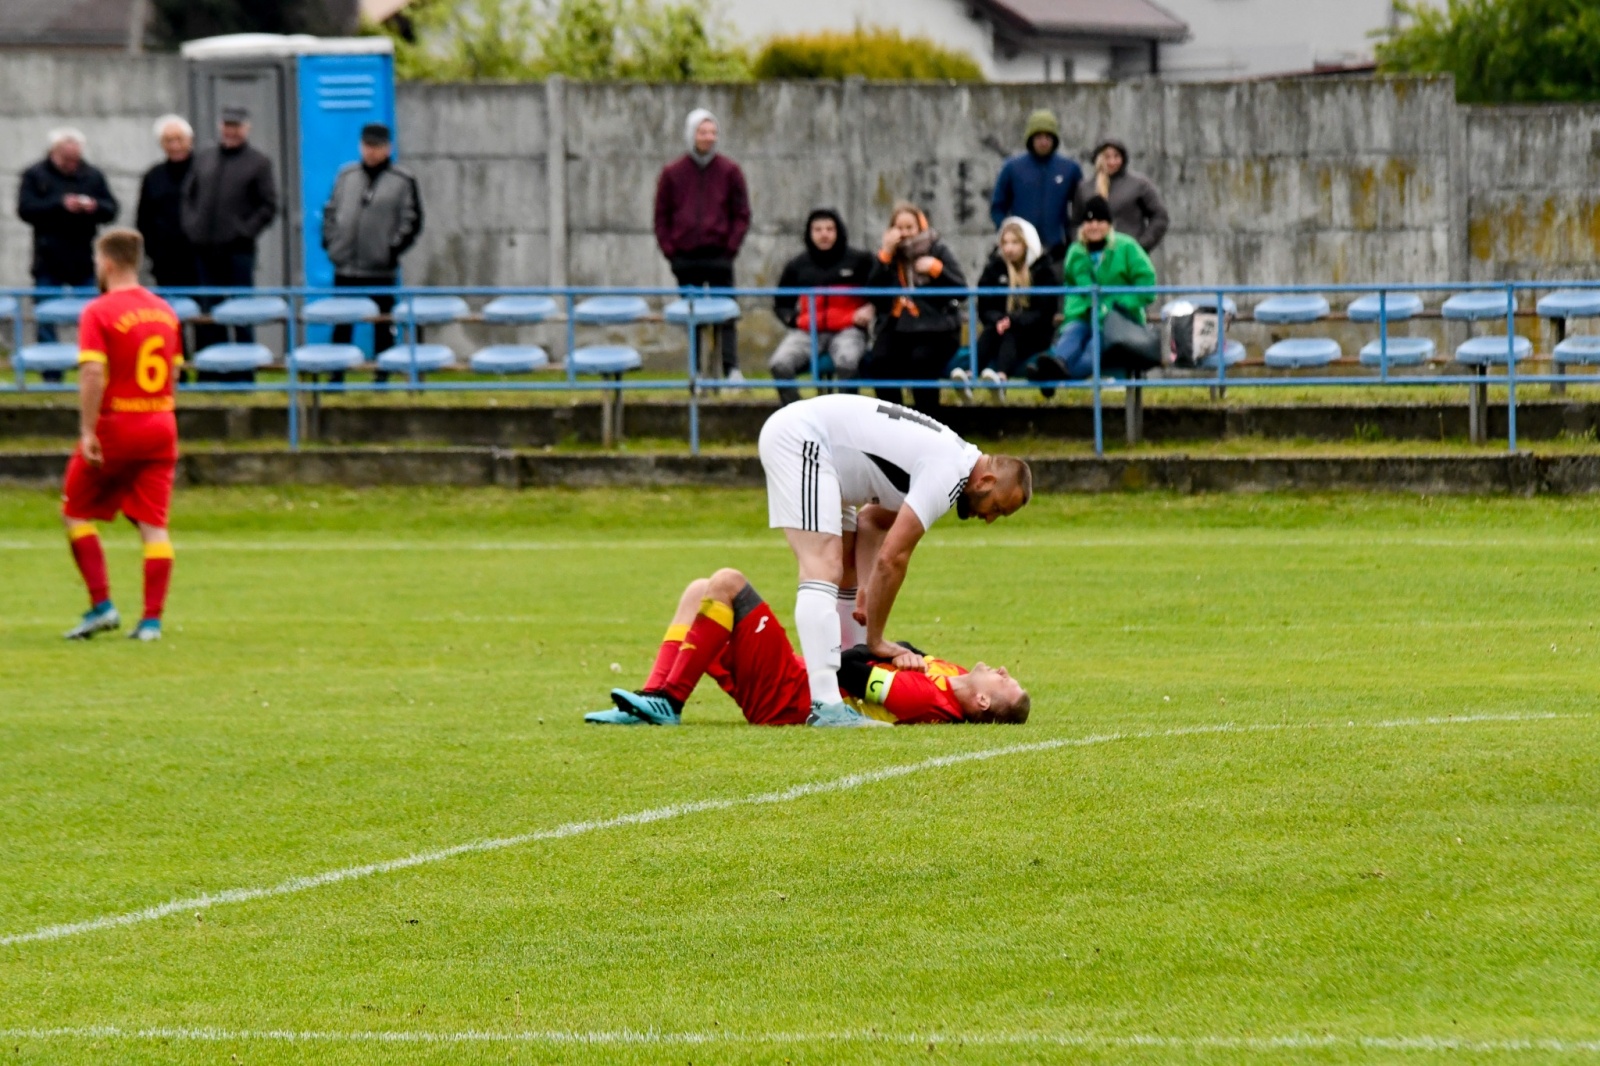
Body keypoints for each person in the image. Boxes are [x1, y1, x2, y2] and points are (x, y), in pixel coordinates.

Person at [758, 394, 1032, 724]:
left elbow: (873, 521)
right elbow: (894, 557)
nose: (989, 519)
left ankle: (844, 695)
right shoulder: (949, 473)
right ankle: (826, 706)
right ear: (985, 481)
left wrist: (867, 586)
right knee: (823, 566)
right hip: (803, 439)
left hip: (823, 453)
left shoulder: (953, 459)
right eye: (997, 509)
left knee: (845, 569)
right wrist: (877, 640)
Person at [586, 566, 1029, 727]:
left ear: (984, 699)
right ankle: (649, 702)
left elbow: (848, 670)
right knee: (699, 590)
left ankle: (668, 703)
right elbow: (902, 647)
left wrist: (886, 654)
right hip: (791, 682)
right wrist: (896, 651)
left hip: (791, 697)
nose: (1005, 669)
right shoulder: (949, 676)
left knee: (727, 583)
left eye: (1006, 682)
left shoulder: (925, 697)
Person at [59, 229, 182, 643]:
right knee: (153, 524)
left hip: (119, 424)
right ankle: (151, 621)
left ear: (107, 263)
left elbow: (93, 372)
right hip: (161, 424)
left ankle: (102, 605)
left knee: (75, 510)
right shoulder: (166, 311)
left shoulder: (99, 310)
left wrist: (88, 429)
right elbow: (176, 371)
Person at [321, 122, 424, 382]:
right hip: (345, 265)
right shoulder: (346, 176)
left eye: (377, 147)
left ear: (388, 149)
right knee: (341, 325)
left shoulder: (402, 180)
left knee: (382, 324)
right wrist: (332, 245)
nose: (371, 152)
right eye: (367, 146)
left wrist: (390, 251)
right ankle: (336, 378)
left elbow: (411, 221)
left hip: (380, 267)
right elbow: (331, 213)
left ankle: (382, 378)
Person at [653, 107, 750, 382]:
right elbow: (661, 216)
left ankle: (731, 369)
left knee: (728, 314)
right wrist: (671, 252)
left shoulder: (730, 171)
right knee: (692, 316)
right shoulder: (672, 173)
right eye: (702, 131)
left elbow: (741, 213)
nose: (708, 137)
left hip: (719, 256)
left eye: (712, 132)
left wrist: (730, 247)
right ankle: (695, 371)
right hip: (685, 258)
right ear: (691, 134)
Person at [16, 128, 118, 382]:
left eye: (76, 158)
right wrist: (59, 204)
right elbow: (26, 209)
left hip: (83, 259)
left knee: (93, 317)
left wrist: (92, 207)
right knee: (46, 318)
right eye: (66, 159)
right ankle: (51, 376)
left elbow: (111, 209)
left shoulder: (92, 175)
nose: (72, 164)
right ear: (54, 153)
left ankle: (92, 368)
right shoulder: (35, 175)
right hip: (48, 260)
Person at [181, 105, 278, 371]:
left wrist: (243, 232)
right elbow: (189, 196)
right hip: (204, 250)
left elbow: (268, 206)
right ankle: (215, 372)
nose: (230, 131)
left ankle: (244, 372)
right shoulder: (205, 158)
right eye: (227, 125)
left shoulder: (258, 162)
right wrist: (192, 226)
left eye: (236, 126)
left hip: (238, 252)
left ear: (246, 129)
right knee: (211, 312)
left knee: (242, 312)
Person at [1028, 195, 1157, 387]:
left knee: (1092, 350)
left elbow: (1147, 286)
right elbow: (1072, 290)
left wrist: (1117, 303)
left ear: (1109, 224)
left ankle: (1050, 377)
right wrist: (1085, 307)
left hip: (1118, 319)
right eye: (1088, 221)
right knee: (1071, 334)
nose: (1094, 226)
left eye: (1099, 221)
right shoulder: (1075, 252)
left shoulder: (1127, 246)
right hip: (1085, 314)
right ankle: (1055, 365)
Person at [862, 202, 965, 413]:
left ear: (920, 228)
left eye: (910, 227)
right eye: (899, 228)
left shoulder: (937, 249)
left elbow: (961, 290)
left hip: (936, 327)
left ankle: (927, 423)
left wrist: (937, 270)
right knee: (880, 361)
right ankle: (894, 422)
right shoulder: (887, 256)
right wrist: (884, 257)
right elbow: (872, 293)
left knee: (922, 361)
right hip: (897, 326)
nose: (905, 233)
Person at [768, 208, 874, 405]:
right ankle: (797, 417)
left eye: (829, 229)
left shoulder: (860, 260)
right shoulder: (797, 265)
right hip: (808, 331)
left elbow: (882, 289)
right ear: (809, 233)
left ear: (838, 231)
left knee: (847, 362)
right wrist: (793, 320)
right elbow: (780, 303)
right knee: (779, 364)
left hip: (848, 329)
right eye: (817, 229)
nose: (824, 234)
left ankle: (845, 417)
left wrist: (870, 309)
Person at [964, 216, 1062, 399]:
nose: (1009, 248)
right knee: (990, 332)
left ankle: (1001, 378)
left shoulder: (1042, 271)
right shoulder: (994, 269)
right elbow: (984, 306)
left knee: (1011, 334)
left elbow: (1044, 312)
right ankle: (970, 375)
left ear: (1026, 243)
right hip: (1002, 327)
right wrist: (999, 319)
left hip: (1035, 334)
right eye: (1005, 243)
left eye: (1015, 242)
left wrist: (1013, 320)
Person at [989, 109, 1082, 262]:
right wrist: (1008, 234)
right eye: (1038, 137)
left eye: (1048, 137)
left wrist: (1071, 237)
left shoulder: (1069, 169)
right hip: (1022, 252)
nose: (1043, 142)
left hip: (1057, 251)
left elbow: (1080, 207)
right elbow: (997, 207)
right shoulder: (1012, 168)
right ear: (1030, 139)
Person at [136, 115, 199, 297]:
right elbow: (144, 218)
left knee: (205, 317)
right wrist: (153, 252)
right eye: (168, 140)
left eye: (179, 139)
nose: (174, 145)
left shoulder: (204, 171)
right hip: (166, 260)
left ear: (190, 140)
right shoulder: (153, 176)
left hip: (201, 259)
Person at [1071, 138, 1169, 253]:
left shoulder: (1139, 185)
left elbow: (1160, 217)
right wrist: (1080, 246)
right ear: (1098, 158)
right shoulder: (1085, 189)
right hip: (1094, 256)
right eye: (1107, 157)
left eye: (1116, 156)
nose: (1112, 162)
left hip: (1128, 256)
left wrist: (1141, 245)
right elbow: (1075, 223)